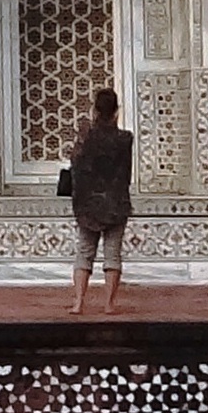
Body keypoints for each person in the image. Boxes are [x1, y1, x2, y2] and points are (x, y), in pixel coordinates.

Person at [67, 86, 139, 314]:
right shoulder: (124, 139)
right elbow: (126, 173)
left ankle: (79, 302)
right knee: (112, 253)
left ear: (95, 110)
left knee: (85, 252)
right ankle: (108, 304)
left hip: (88, 203)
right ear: (116, 111)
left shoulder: (86, 136)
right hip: (115, 201)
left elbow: (76, 166)